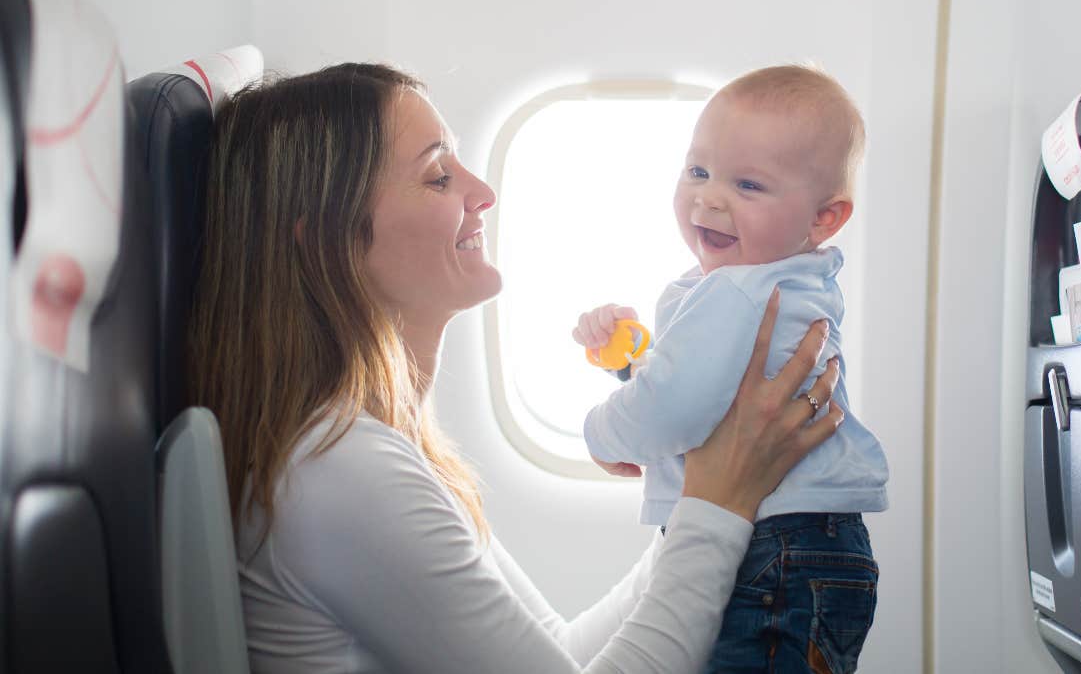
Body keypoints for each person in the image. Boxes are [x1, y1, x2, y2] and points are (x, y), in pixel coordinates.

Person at [187, 63, 844, 673]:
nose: (482, 190)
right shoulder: (338, 469)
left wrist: (711, 485)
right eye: (438, 176)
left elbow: (558, 650)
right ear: (328, 236)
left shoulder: (382, 445)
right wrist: (716, 500)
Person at [572, 65, 889, 673]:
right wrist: (631, 360)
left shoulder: (738, 293)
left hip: (773, 550)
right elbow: (707, 390)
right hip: (807, 548)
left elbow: (677, 408)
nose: (709, 197)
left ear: (824, 218)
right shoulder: (777, 283)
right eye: (698, 171)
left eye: (747, 184)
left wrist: (601, 433)